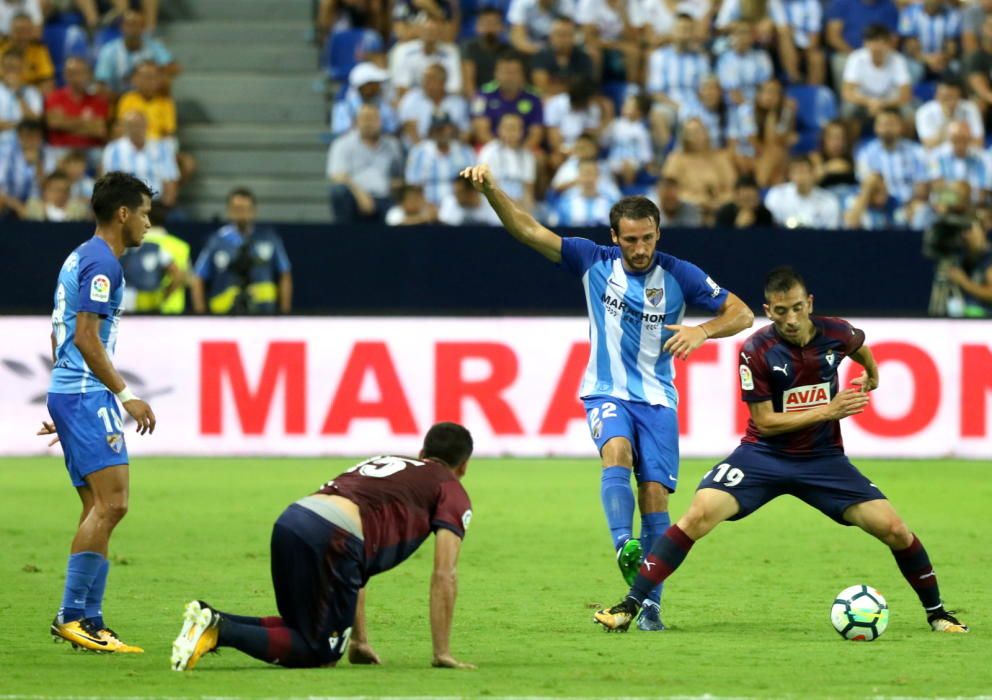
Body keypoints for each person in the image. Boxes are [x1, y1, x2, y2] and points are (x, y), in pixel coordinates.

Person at [593, 267, 970, 636]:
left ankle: (938, 614)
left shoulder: (836, 331)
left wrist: (872, 373)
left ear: (809, 303)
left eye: (796, 308)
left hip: (823, 461)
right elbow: (767, 421)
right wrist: (829, 410)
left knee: (895, 529)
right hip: (763, 456)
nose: (790, 319)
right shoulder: (756, 349)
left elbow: (860, 347)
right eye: (780, 311)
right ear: (768, 310)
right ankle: (630, 605)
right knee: (698, 514)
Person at [459, 162, 754, 631]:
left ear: (658, 234)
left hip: (658, 399)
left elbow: (742, 313)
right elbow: (528, 230)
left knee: (655, 496)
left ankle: (650, 604)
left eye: (648, 239)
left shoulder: (681, 274)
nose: (641, 249)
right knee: (615, 450)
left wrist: (703, 331)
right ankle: (624, 546)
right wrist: (493, 188)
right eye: (631, 239)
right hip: (605, 391)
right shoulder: (591, 259)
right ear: (614, 236)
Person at [170, 422, 476, 671]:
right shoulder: (451, 489)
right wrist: (442, 653)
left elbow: (357, 571)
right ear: (463, 466)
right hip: (334, 536)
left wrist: (358, 641)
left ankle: (208, 618)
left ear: (422, 451)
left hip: (294, 519)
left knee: (302, 628)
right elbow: (444, 574)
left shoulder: (390, 462)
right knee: (319, 652)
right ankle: (221, 631)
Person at [39, 172, 157, 654]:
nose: (149, 224)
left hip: (76, 395)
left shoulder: (81, 256)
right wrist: (124, 394)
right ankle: (71, 616)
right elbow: (86, 337)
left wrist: (64, 400)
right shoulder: (103, 262)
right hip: (87, 394)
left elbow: (59, 336)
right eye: (146, 214)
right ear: (123, 214)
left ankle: (90, 620)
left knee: (98, 508)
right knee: (114, 505)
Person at [191, 188, 292, 315]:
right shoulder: (216, 241)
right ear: (229, 210)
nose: (242, 214)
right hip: (224, 316)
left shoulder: (269, 238)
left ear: (254, 211)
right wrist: (200, 315)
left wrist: (285, 313)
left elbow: (285, 274)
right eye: (237, 209)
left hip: (264, 315)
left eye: (246, 209)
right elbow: (198, 278)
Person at [327, 103, 403, 223]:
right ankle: (343, 236)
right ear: (356, 122)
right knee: (338, 192)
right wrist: (361, 194)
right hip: (355, 198)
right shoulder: (341, 144)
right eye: (364, 119)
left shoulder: (392, 145)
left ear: (380, 121)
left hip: (385, 198)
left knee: (398, 215)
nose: (368, 123)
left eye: (372, 119)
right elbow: (337, 176)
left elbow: (398, 176)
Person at [764, 156, 842, 229]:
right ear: (790, 175)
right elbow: (769, 225)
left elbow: (831, 230)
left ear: (813, 174)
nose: (800, 176)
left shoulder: (828, 200)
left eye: (804, 171)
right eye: (796, 172)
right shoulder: (777, 195)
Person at [945, 218, 992, 317]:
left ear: (983, 231)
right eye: (963, 231)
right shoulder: (964, 259)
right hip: (966, 319)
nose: (966, 235)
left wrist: (964, 282)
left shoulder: (989, 257)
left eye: (970, 229)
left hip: (985, 321)